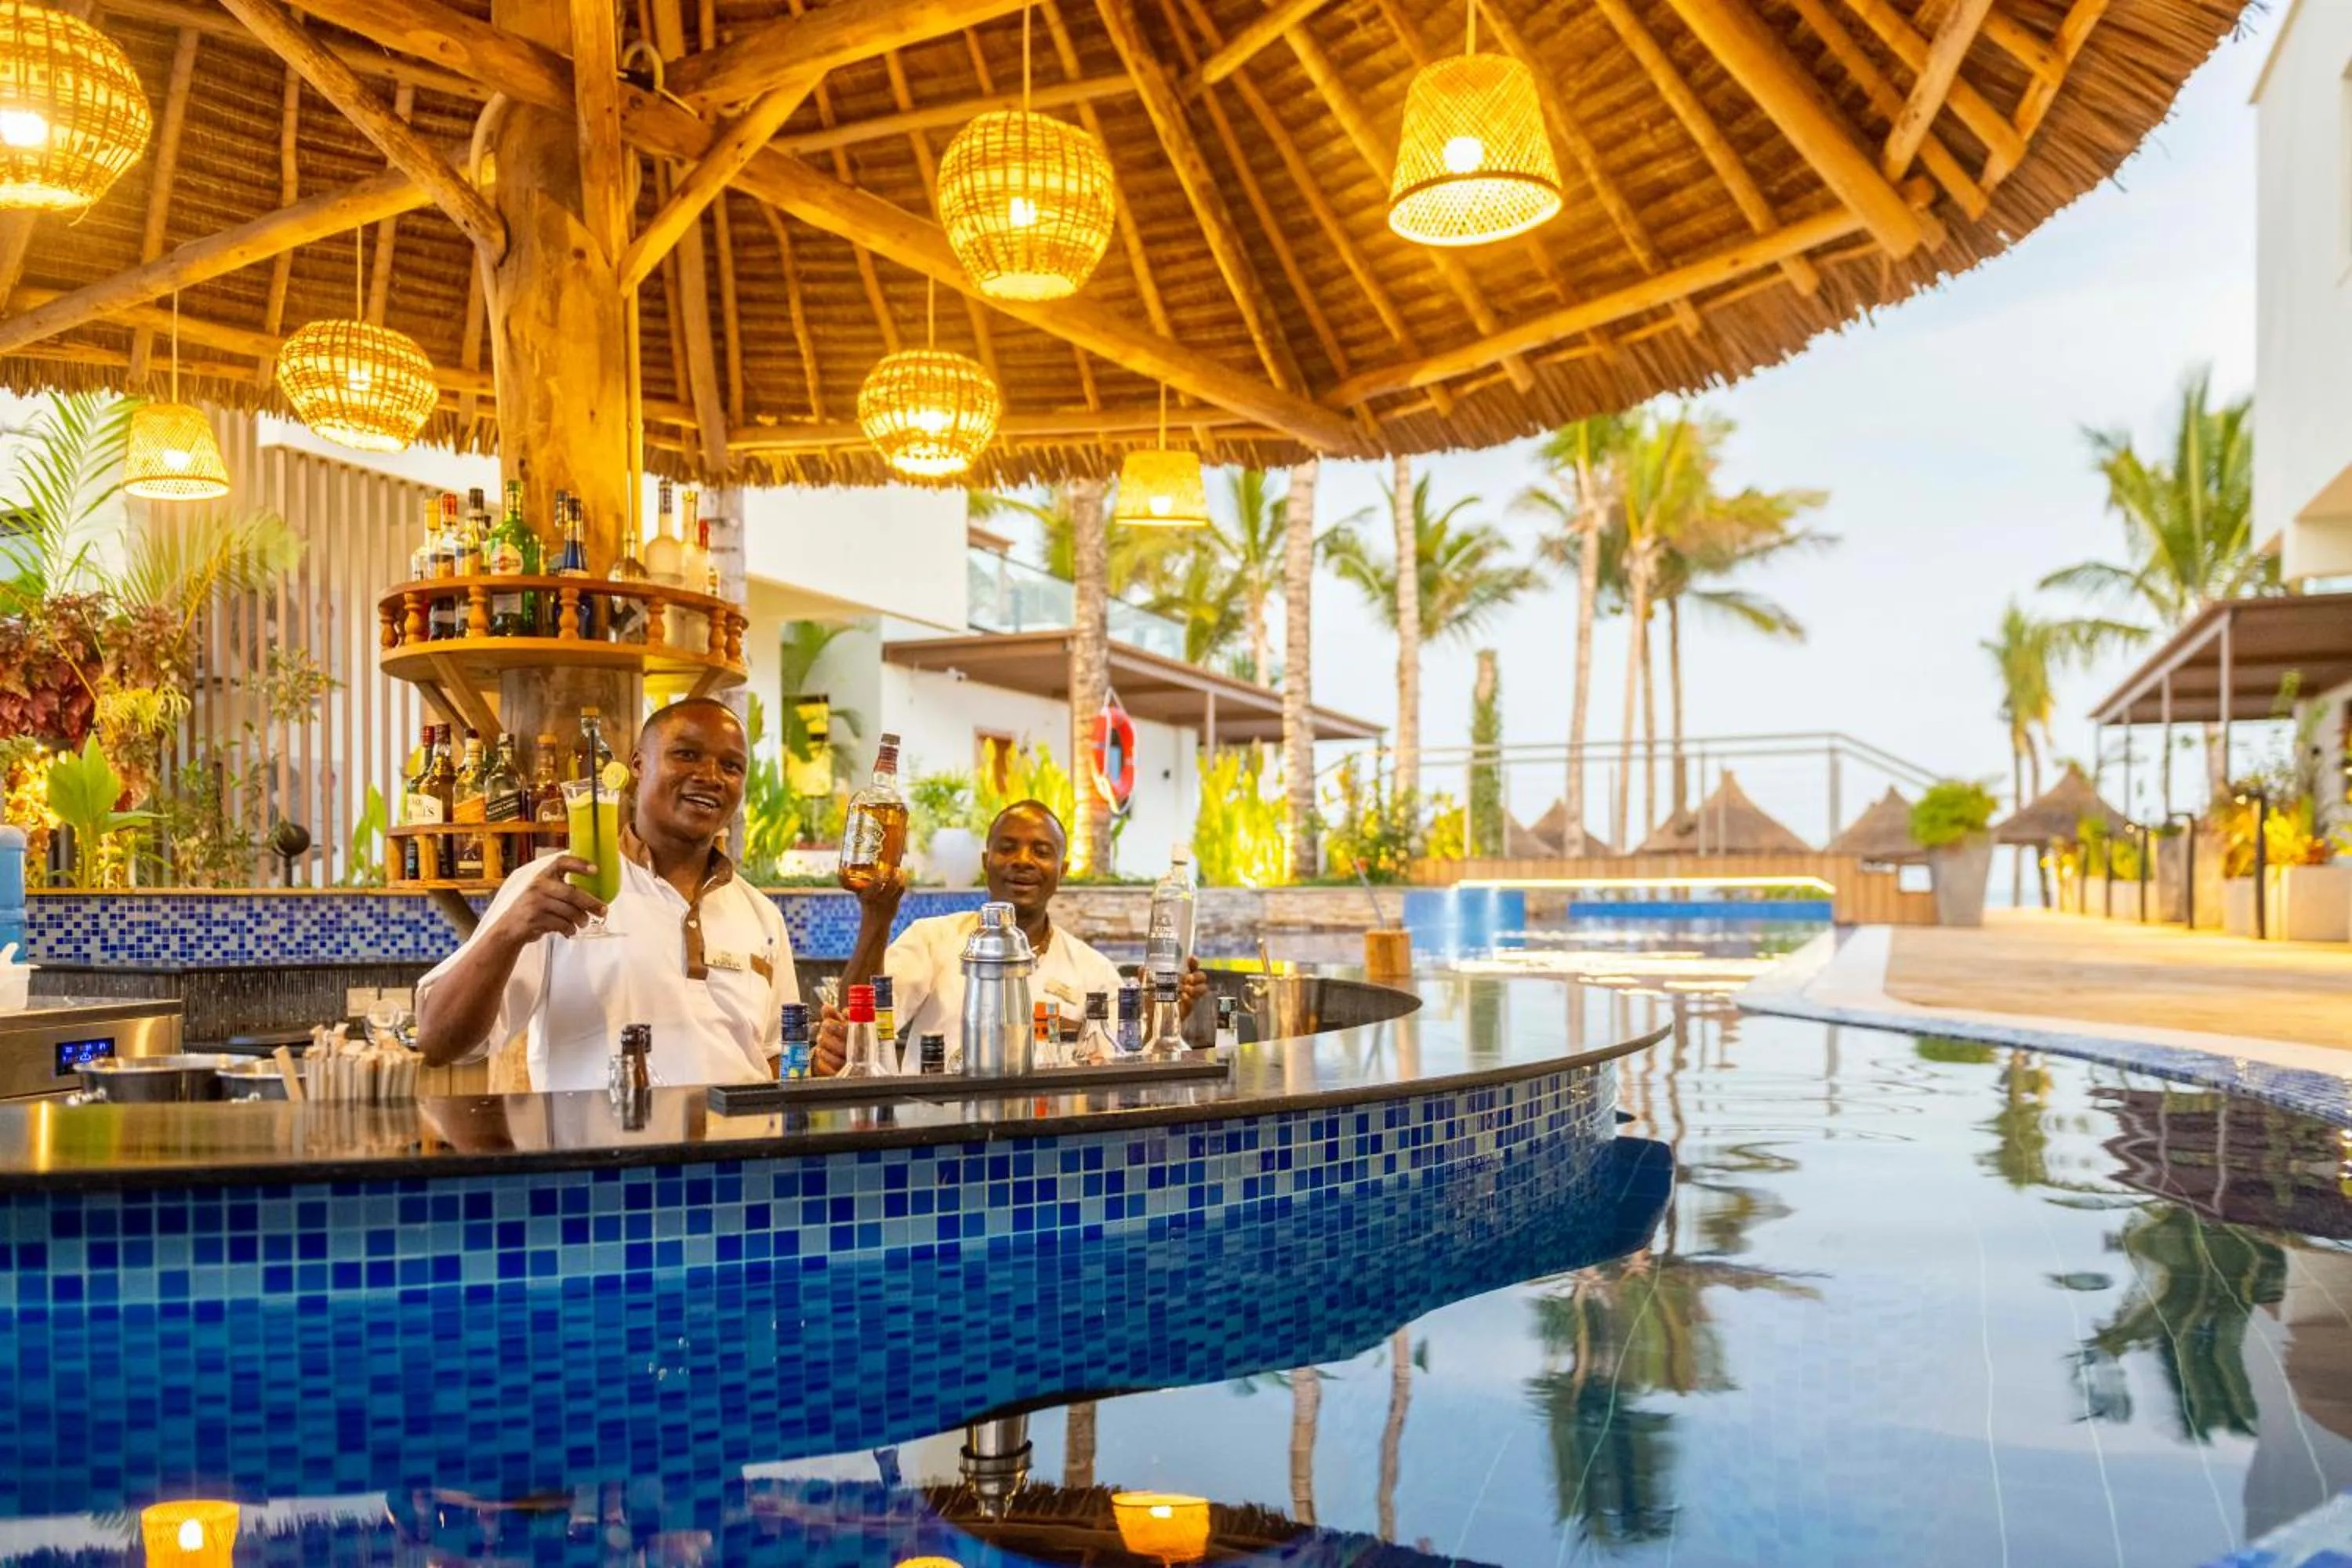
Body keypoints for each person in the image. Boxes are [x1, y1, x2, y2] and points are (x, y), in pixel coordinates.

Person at [415, 698, 797, 1090]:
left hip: (739, 1147)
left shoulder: (761, 915)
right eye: (687, 754)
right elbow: (436, 1044)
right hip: (602, 1147)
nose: (711, 776)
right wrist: (508, 932)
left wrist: (822, 1059)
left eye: (732, 766)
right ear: (637, 766)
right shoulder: (552, 888)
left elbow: (772, 1057)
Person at [817, 800, 1206, 1072]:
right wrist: (876, 920)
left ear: (1062, 869)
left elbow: (1120, 1065)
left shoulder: (1092, 970)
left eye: (1041, 850)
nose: (1023, 861)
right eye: (1007, 848)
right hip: (935, 1139)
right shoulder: (933, 941)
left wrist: (1165, 1013)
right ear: (987, 863)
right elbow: (856, 1026)